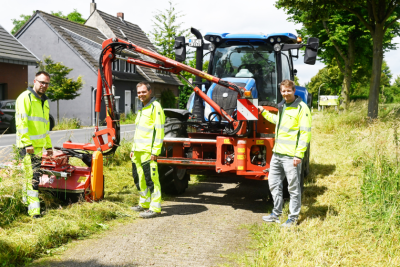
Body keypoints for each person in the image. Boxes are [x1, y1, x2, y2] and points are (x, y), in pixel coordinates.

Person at [258, 79, 311, 227]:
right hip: (277, 154)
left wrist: (298, 155)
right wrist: (264, 112)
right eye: (283, 91)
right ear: (280, 92)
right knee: (274, 183)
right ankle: (276, 213)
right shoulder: (282, 106)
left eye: (288, 91)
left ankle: (293, 218)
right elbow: (278, 121)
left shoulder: (302, 108)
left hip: (291, 156)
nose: (286, 93)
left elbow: (305, 133)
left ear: (294, 91)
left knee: (293, 188)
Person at [16, 71, 53, 219]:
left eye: (46, 83)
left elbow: (45, 127)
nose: (44, 85)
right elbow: (21, 123)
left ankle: (27, 205)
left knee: (31, 177)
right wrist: (27, 144)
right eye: (41, 82)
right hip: (28, 147)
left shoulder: (44, 101)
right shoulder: (25, 98)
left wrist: (49, 146)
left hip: (38, 147)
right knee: (33, 179)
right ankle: (34, 212)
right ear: (34, 81)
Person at [130, 82, 165, 218]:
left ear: (150, 92)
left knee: (151, 179)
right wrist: (133, 148)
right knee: (139, 178)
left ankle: (155, 208)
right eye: (139, 92)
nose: (141, 95)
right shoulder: (141, 108)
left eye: (143, 92)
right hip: (138, 151)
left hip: (148, 152)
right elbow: (138, 131)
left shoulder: (155, 107)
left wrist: (155, 151)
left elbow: (159, 130)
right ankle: (144, 203)